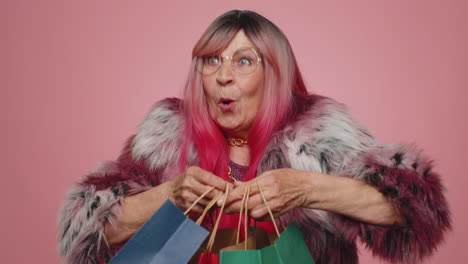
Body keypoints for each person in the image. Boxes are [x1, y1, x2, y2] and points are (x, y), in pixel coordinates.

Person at [57, 10, 451, 264]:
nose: (223, 75)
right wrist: (170, 196)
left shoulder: (317, 131)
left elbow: (414, 212)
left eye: (243, 61)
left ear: (274, 74)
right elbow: (88, 231)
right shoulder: (166, 135)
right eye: (212, 60)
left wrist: (308, 188)